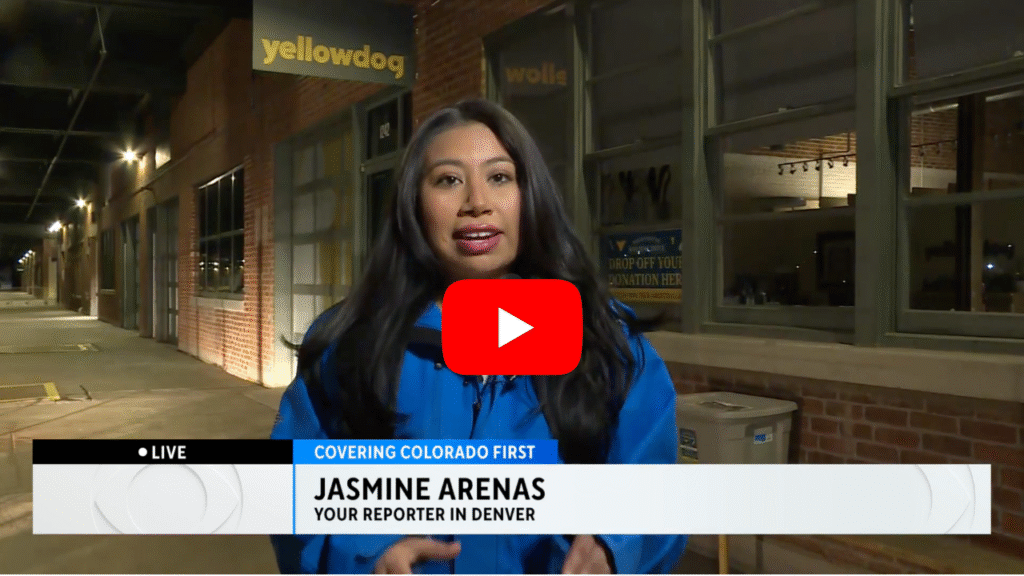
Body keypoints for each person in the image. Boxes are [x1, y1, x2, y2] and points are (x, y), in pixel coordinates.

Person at [270, 98, 687, 574]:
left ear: (530, 196)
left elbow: (657, 489)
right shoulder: (351, 343)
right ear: (414, 203)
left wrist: (614, 545)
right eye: (448, 180)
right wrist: (366, 550)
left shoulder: (606, 341)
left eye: (500, 177)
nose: (476, 203)